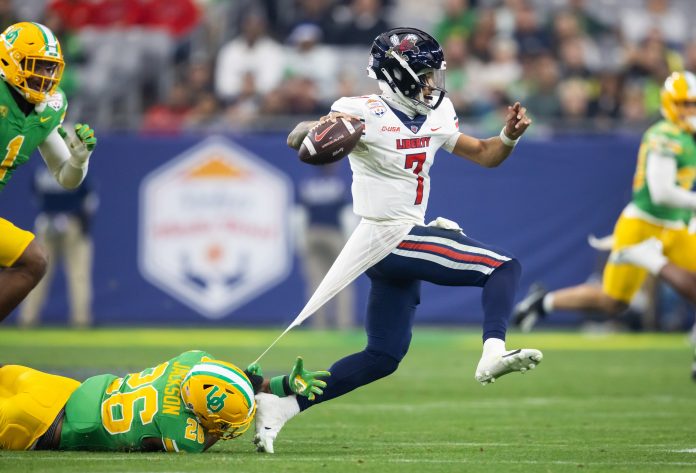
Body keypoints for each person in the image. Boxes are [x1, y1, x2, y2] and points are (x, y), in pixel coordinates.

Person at [252, 27, 540, 454]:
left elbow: (484, 154)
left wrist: (509, 136)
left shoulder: (438, 113)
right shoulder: (358, 110)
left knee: (383, 356)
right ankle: (492, 352)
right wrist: (310, 132)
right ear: (398, 73)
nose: (432, 84)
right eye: (424, 74)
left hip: (400, 239)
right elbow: (302, 139)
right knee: (502, 267)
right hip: (389, 235)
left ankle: (280, 406)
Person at [514, 71, 696, 334]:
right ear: (670, 104)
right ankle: (543, 302)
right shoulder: (664, 135)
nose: (690, 111)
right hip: (644, 225)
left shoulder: (688, 137)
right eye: (685, 104)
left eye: (694, 104)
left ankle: (543, 302)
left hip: (676, 223)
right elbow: (661, 192)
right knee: (614, 302)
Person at [0, 352, 329, 451]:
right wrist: (270, 387)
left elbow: (219, 382)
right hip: (41, 425)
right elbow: (207, 434)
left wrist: (268, 382)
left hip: (55, 387)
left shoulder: (188, 362)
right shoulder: (181, 434)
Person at [0, 22, 97, 323]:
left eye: (50, 69)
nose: (45, 77)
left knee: (34, 261)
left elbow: (65, 177)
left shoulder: (47, 108)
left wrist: (79, 159)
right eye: (37, 66)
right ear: (8, 60)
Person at [18, 168, 98, 328]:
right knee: (79, 275)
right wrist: (84, 224)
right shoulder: (76, 167)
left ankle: (27, 319)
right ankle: (81, 321)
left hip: (47, 222)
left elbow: (36, 196)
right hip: (71, 223)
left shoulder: (41, 171)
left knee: (38, 273)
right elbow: (89, 200)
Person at [296, 163, 355, 329]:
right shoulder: (338, 183)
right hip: (334, 234)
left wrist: (300, 240)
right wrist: (350, 241)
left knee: (316, 283)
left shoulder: (308, 183)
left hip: (312, 232)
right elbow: (347, 214)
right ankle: (344, 324)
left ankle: (319, 325)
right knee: (342, 281)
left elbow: (298, 215)